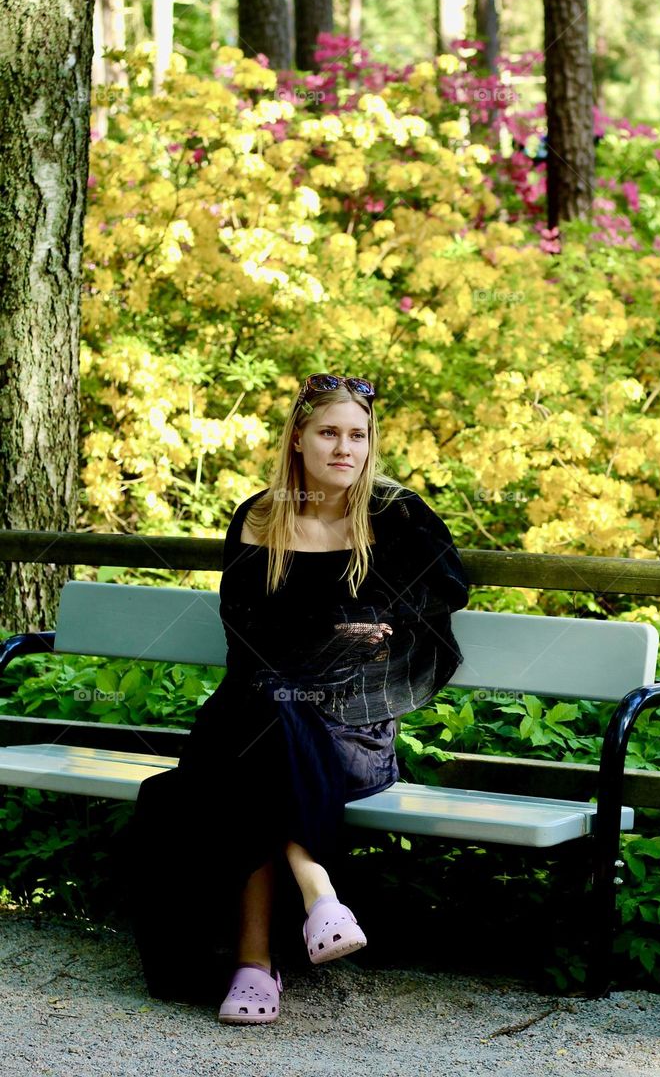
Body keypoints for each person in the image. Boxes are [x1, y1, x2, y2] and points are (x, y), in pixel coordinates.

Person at [125, 372, 470, 1025]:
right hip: (259, 713)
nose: (345, 448)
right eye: (329, 433)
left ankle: (256, 964)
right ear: (298, 439)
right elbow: (245, 639)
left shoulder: (394, 518)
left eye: (358, 435)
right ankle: (318, 895)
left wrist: (369, 634)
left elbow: (434, 607)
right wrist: (320, 642)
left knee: (256, 743)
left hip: (353, 730)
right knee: (266, 714)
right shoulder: (259, 518)